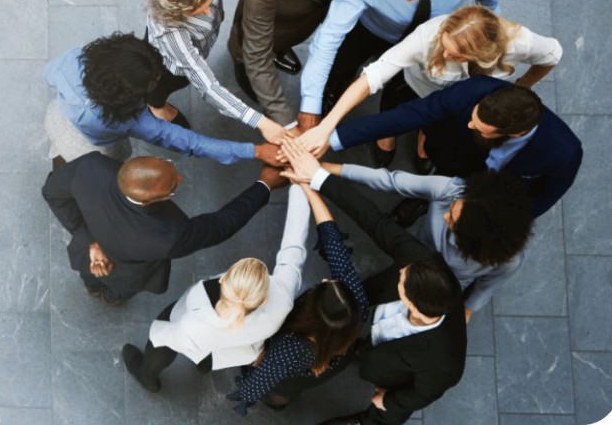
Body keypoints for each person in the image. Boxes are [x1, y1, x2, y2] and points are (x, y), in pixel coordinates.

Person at [279, 141, 466, 425]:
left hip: (389, 375)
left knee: (385, 416)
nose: (400, 270)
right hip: (370, 324)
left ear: (411, 304)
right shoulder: (423, 262)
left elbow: (422, 394)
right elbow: (373, 220)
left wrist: (390, 401)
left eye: (402, 280)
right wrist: (316, 178)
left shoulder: (445, 364)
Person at [298, 5, 561, 167]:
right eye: (444, 46)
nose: (445, 55)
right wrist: (326, 126)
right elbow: (374, 74)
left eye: (457, 55)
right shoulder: (427, 36)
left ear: (483, 54)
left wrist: (523, 85)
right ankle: (387, 136)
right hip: (415, 87)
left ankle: (424, 137)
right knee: (393, 110)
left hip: (462, 103)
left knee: (438, 126)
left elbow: (552, 55)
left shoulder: (520, 43)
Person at [122, 180, 314, 392]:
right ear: (264, 299)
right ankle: (204, 366)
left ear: (223, 280)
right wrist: (301, 184)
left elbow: (167, 338)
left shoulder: (191, 324)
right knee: (210, 355)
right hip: (233, 350)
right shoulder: (284, 297)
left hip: (196, 337)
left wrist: (300, 183)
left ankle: (147, 375)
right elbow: (294, 245)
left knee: (162, 339)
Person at [313, 75, 582, 225]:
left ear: (515, 134)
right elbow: (408, 115)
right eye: (473, 117)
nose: (469, 124)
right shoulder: (475, 90)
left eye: (480, 128)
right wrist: (331, 138)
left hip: (493, 187)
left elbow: (539, 202)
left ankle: (428, 201)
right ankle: (428, 193)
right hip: (454, 151)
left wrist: (487, 222)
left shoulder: (564, 153)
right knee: (441, 170)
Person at [296, 0, 500, 133]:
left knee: (407, 86)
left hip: (432, 35)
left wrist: (491, 27)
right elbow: (329, 35)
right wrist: (310, 106)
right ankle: (330, 93)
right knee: (341, 65)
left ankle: (390, 118)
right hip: (373, 28)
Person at [42, 153, 287, 303]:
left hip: (87, 251)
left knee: (88, 275)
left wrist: (90, 241)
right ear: (147, 202)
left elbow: (52, 192)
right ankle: (110, 297)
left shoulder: (90, 167)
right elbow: (221, 225)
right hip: (129, 273)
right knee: (119, 292)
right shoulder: (168, 236)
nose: (180, 178)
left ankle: (92, 286)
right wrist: (264, 184)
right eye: (172, 188)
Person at [226, 166, 368, 417]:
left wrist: (258, 360)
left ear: (310, 314)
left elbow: (253, 386)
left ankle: (277, 402)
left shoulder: (291, 348)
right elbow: (334, 244)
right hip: (330, 363)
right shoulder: (355, 302)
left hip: (289, 367)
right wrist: (307, 185)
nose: (325, 278)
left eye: (322, 286)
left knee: (278, 387)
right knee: (288, 386)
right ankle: (280, 401)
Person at [314, 163, 534, 318]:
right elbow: (390, 180)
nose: (446, 216)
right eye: (451, 208)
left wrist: (466, 311)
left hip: (441, 283)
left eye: (454, 222)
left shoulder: (508, 260)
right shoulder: (452, 190)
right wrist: (325, 169)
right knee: (375, 289)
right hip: (413, 250)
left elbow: (486, 286)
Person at [43, 32, 282, 167]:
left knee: (64, 154)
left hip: (57, 116)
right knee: (110, 161)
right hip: (98, 147)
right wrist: (257, 151)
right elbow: (192, 143)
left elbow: (48, 74)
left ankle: (60, 163)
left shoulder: (74, 60)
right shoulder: (130, 121)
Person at [144, 0, 293, 144]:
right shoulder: (172, 33)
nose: (208, 12)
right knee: (161, 84)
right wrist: (261, 122)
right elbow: (209, 87)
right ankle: (156, 106)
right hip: (170, 66)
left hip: (197, 45)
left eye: (208, 2)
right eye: (199, 12)